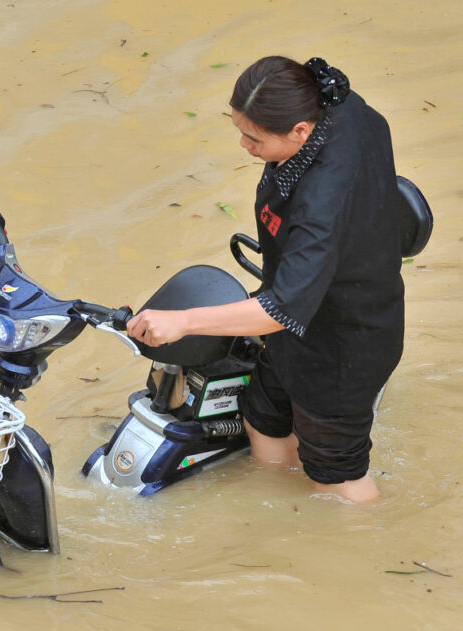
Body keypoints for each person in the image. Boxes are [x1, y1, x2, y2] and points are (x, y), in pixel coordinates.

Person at [126, 56, 405, 503]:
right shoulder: (337, 102)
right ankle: (274, 513)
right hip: (304, 316)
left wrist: (183, 322)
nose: (243, 144)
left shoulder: (320, 207)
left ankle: (362, 547)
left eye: (254, 137)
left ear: (300, 132)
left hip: (345, 345)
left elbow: (281, 310)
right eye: (239, 128)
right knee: (262, 419)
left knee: (335, 474)